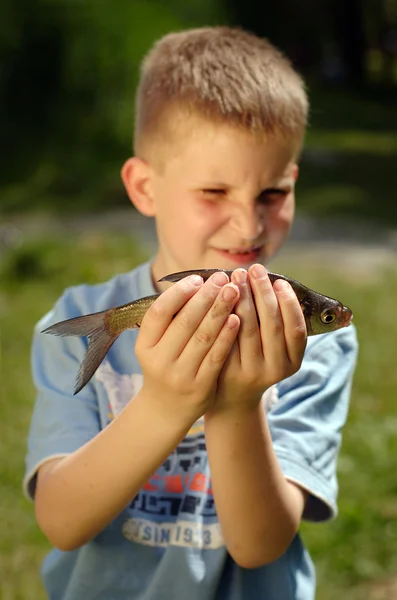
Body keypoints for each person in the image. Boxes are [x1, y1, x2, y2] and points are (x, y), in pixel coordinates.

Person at [24, 26, 358, 600]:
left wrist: (236, 404)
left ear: (294, 182)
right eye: (213, 192)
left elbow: (259, 546)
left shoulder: (314, 343)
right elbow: (60, 522)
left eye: (271, 194)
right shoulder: (77, 319)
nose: (248, 225)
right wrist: (166, 402)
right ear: (145, 187)